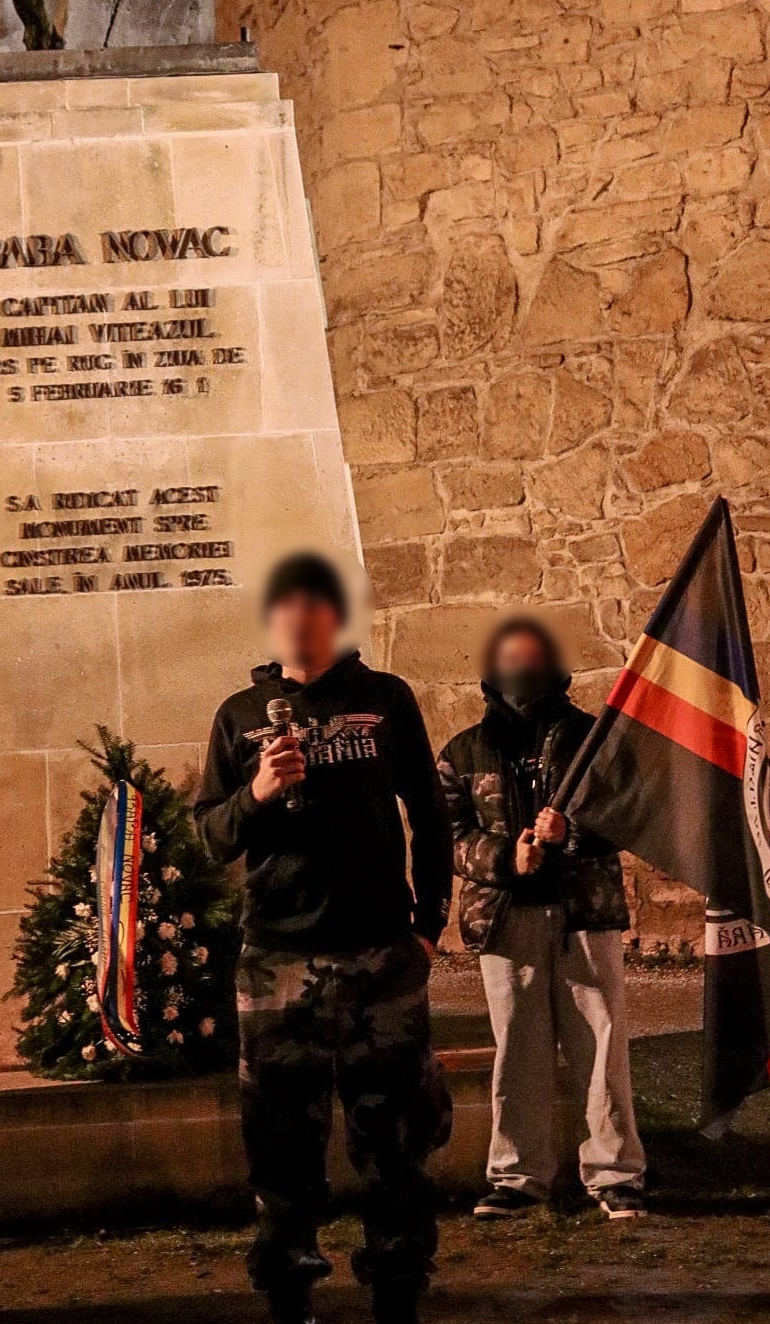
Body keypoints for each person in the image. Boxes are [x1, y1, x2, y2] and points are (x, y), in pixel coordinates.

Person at [196, 553, 453, 1324]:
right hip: (277, 959)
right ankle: (290, 1297)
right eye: (285, 611)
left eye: (313, 609)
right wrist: (258, 791)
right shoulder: (239, 715)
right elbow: (210, 834)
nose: (298, 623)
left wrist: (428, 928)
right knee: (281, 1149)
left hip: (380, 952)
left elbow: (430, 814)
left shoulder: (385, 699)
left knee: (397, 1144)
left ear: (335, 620)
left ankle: (398, 1294)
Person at [437, 616, 646, 1221]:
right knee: (518, 1051)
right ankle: (517, 1176)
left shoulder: (593, 739)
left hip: (585, 915)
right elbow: (449, 835)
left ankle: (615, 1173)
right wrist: (507, 858)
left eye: (532, 659)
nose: (521, 671)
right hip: (506, 920)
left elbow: (627, 812)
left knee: (600, 1046)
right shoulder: (463, 751)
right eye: (511, 660)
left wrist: (571, 832)